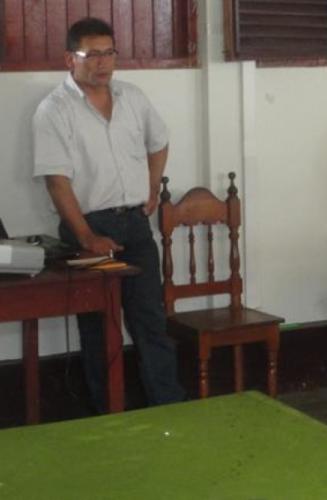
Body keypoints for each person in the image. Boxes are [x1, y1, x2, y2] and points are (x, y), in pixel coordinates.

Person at [32, 17, 184, 412]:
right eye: (92, 54)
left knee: (151, 321)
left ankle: (170, 409)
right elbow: (57, 182)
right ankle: (108, 415)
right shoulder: (54, 110)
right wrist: (86, 237)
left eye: (109, 53)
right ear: (70, 59)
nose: (103, 62)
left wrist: (152, 185)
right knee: (99, 330)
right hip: (89, 229)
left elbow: (159, 141)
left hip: (135, 225)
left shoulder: (132, 97)